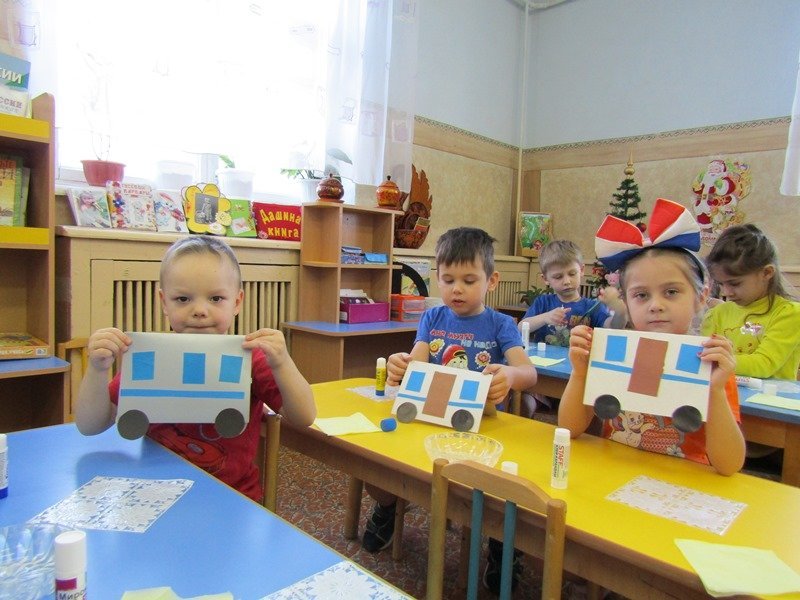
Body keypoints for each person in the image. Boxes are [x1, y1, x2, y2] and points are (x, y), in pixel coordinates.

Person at [75, 236, 316, 502]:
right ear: (164, 302)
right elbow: (90, 425)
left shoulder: (251, 357)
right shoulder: (148, 354)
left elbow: (304, 416)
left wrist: (282, 362)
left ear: (237, 302)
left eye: (216, 298)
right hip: (156, 494)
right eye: (182, 299)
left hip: (231, 497)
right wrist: (97, 369)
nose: (199, 310)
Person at [372, 227, 537, 592]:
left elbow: (529, 373)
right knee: (381, 458)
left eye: (468, 280)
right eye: (448, 280)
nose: (456, 289)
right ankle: (387, 507)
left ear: (492, 280)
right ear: (437, 278)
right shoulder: (432, 318)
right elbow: (416, 363)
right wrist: (401, 365)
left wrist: (510, 375)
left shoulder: (500, 324)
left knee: (499, 488)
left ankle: (503, 545)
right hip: (432, 419)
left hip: (483, 429)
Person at [559, 198, 745, 477]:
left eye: (671, 292)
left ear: (701, 297)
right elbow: (569, 429)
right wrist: (580, 374)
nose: (655, 305)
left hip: (683, 485)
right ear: (626, 301)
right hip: (614, 477)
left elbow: (729, 465)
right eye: (641, 295)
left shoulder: (711, 362)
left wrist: (715, 391)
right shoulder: (611, 352)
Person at [518, 239, 626, 417]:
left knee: (589, 412)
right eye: (558, 277)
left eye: (572, 273)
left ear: (582, 270)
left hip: (578, 377)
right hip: (544, 377)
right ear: (545, 279)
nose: (567, 281)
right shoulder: (543, 302)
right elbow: (521, 327)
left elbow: (613, 328)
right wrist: (545, 317)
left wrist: (619, 310)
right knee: (523, 402)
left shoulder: (591, 306)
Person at [701, 224, 800, 380]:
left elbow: (764, 364)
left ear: (767, 273)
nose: (726, 292)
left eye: (734, 284)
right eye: (720, 284)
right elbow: (703, 358)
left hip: (770, 395)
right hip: (723, 392)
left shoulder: (789, 313)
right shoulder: (717, 314)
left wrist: (721, 361)